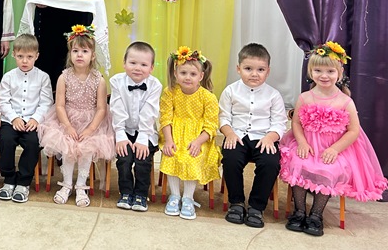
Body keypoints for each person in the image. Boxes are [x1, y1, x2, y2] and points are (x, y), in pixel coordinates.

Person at [280, 42, 387, 236]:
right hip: (308, 145)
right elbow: (296, 123)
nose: (324, 75)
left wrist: (334, 149)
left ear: (340, 72)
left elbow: (353, 131)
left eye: (330, 71)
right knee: (297, 162)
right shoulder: (305, 97)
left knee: (330, 170)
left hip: (334, 149)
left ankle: (316, 215)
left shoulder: (345, 101)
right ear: (310, 72)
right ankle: (299, 211)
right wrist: (302, 142)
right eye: (318, 70)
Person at [38, 25, 114, 208]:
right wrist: (68, 126)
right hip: (66, 119)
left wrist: (90, 129)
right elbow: (59, 105)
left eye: (85, 51)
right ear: (70, 54)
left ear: (93, 55)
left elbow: (101, 109)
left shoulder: (99, 80)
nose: (80, 55)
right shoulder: (64, 77)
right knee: (68, 145)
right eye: (75, 51)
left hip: (92, 122)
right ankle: (66, 184)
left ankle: (81, 186)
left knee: (86, 147)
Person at [218, 43, 287, 227]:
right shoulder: (230, 91)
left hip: (264, 138)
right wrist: (229, 134)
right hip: (237, 136)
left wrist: (270, 137)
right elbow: (223, 117)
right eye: (248, 69)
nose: (254, 74)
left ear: (268, 71)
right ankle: (236, 203)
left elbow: (279, 122)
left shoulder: (274, 95)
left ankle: (257, 207)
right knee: (231, 159)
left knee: (270, 163)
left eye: (260, 70)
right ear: (238, 69)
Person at [159, 46, 221, 220]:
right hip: (174, 133)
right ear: (175, 74)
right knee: (171, 154)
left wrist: (198, 141)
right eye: (183, 73)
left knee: (192, 157)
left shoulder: (208, 97)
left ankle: (187, 198)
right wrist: (169, 140)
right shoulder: (170, 92)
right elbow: (165, 118)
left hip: (198, 137)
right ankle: (174, 196)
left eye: (193, 74)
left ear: (201, 76)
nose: (187, 77)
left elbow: (211, 125)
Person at [0, 34, 53, 203]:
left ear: (37, 56)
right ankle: (9, 179)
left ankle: (23, 182)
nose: (25, 61)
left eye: (29, 56)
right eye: (20, 56)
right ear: (14, 55)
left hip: (33, 121)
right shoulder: (8, 77)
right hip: (11, 120)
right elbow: (3, 101)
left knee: (33, 143)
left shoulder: (43, 77)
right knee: (6, 140)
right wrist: (14, 118)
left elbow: (46, 102)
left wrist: (36, 119)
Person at [108, 41, 162, 213]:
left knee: (142, 159)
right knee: (124, 158)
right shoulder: (116, 81)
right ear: (124, 63)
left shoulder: (155, 85)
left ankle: (140, 194)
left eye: (144, 65)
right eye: (133, 63)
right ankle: (125, 192)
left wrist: (142, 138)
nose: (138, 68)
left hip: (146, 132)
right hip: (123, 129)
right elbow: (117, 108)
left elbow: (149, 112)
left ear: (151, 68)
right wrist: (120, 135)